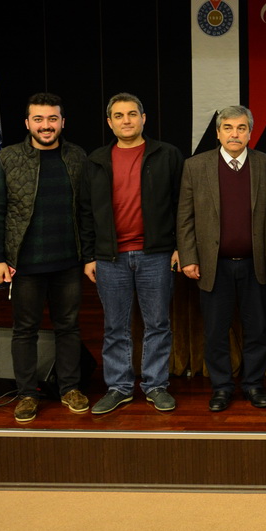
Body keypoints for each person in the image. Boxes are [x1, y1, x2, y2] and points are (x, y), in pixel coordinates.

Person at [0, 93, 89, 423]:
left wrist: (89, 255)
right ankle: (27, 393)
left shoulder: (77, 156)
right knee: (24, 331)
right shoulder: (9, 158)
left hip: (68, 261)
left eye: (52, 119)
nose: (46, 125)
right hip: (24, 264)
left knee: (68, 327)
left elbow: (86, 211)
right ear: (28, 123)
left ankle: (70, 388)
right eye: (39, 119)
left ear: (62, 122)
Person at [80, 93, 183, 414]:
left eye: (132, 114)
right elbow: (85, 211)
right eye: (119, 115)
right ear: (109, 122)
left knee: (158, 324)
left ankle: (155, 385)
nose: (126, 120)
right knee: (115, 327)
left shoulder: (167, 155)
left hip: (157, 255)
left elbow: (182, 204)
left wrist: (180, 247)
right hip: (110, 258)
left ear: (143, 118)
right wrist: (89, 256)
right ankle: (119, 387)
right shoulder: (96, 160)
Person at [176, 105, 266, 412]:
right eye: (228, 128)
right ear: (218, 133)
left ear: (250, 133)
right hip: (213, 266)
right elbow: (185, 217)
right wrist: (189, 256)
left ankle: (253, 385)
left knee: (257, 330)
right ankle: (221, 387)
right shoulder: (196, 165)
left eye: (241, 128)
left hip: (255, 265)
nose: (235, 134)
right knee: (215, 332)